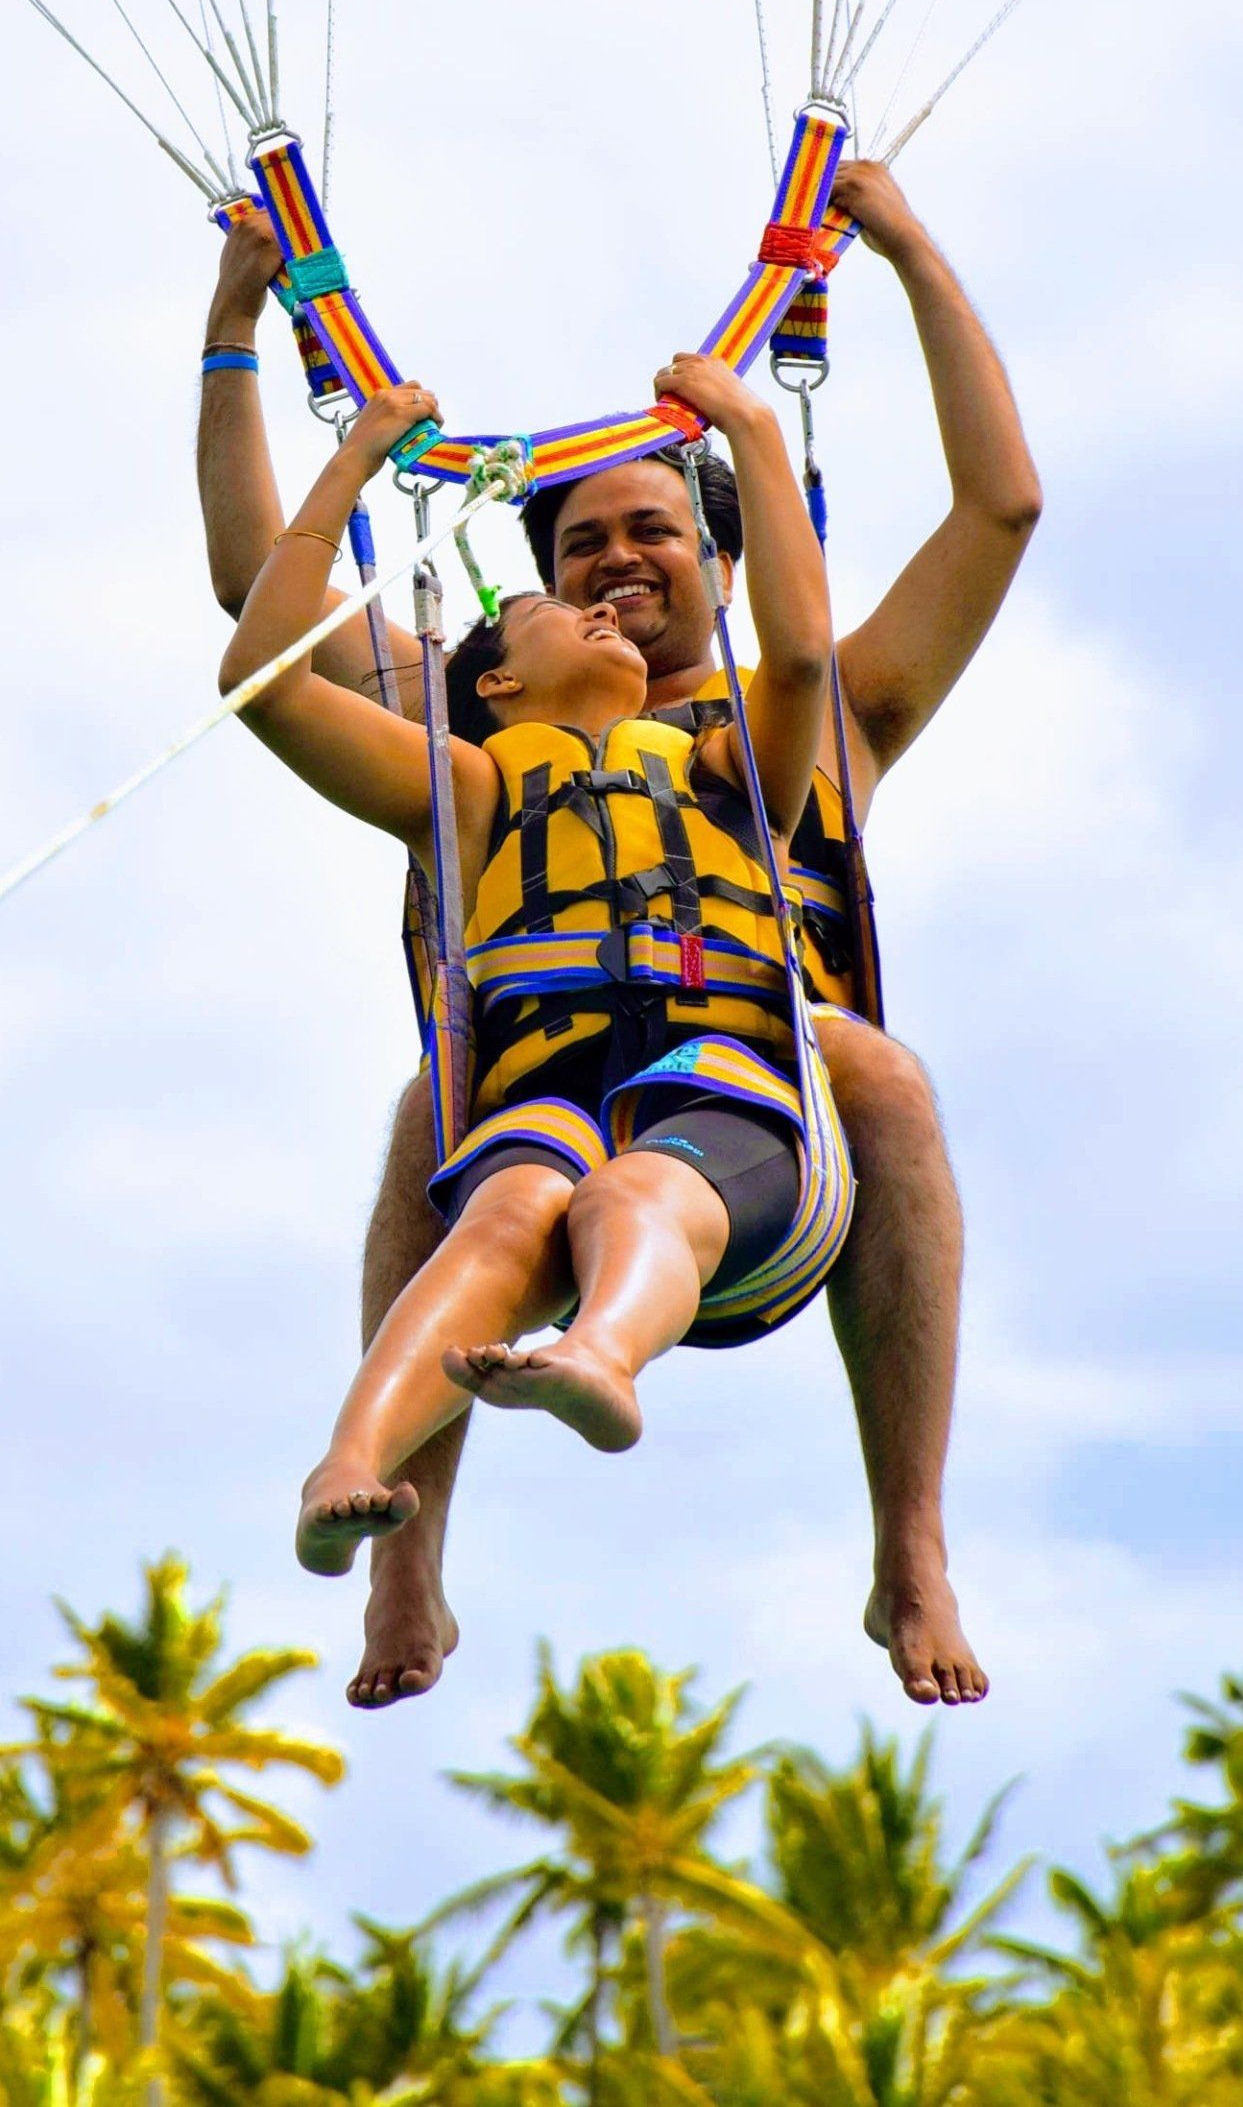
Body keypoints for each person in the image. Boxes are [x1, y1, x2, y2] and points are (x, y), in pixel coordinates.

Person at [196, 156, 1040, 1710]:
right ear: (526, 626)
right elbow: (266, 606)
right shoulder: (474, 744)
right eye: (578, 549)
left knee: (885, 1071)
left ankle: (909, 1549)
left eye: (652, 528)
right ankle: (402, 1556)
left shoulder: (801, 722)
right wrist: (236, 327)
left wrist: (906, 249)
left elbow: (1003, 506)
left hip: (762, 1120)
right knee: (429, 1118)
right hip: (528, 1108)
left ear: (723, 563)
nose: (614, 563)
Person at [216, 361, 842, 1577]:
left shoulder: (731, 766)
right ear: (494, 682)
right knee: (508, 1212)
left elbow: (804, 656)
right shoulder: (469, 783)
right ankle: (350, 1458)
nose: (604, 610)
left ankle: (603, 1352)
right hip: (541, 1096)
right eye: (563, 609)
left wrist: (754, 427)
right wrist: (351, 460)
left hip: (721, 1086)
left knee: (631, 1195)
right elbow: (263, 678)